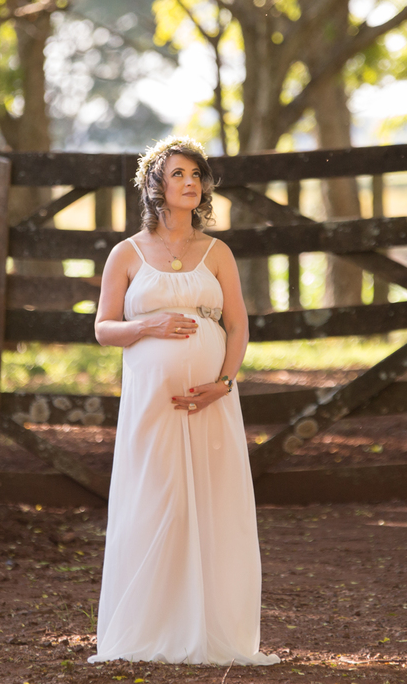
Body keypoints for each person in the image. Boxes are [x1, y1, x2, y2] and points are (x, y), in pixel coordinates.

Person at [88, 137, 279, 666]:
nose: (191, 182)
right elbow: (104, 329)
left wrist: (226, 379)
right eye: (178, 174)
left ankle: (212, 628)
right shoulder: (125, 254)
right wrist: (145, 325)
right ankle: (151, 625)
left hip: (212, 400)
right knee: (157, 498)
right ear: (155, 185)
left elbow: (238, 325)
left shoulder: (218, 253)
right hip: (153, 401)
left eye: (197, 173)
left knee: (213, 503)